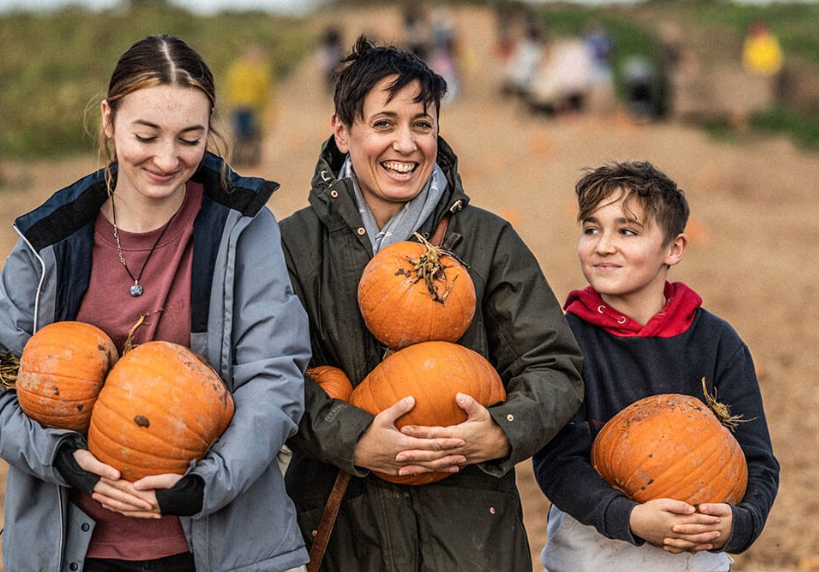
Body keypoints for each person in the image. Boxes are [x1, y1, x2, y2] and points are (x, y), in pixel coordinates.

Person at [0, 34, 310, 572]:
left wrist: (203, 483)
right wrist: (62, 459)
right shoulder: (47, 244)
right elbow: (3, 381)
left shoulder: (242, 228)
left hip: (217, 548)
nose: (167, 160)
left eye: (190, 139)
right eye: (147, 135)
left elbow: (274, 378)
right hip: (71, 552)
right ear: (108, 120)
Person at [279, 36, 584, 572]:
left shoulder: (486, 241)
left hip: (469, 538)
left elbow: (554, 366)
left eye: (422, 124)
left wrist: (500, 430)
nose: (406, 143)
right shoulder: (292, 246)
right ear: (342, 132)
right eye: (383, 124)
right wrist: (352, 438)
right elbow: (265, 377)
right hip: (342, 536)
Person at [532, 161, 779, 572]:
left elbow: (757, 462)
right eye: (592, 229)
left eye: (627, 231)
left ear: (674, 249)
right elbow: (557, 462)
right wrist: (629, 517)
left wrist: (738, 523)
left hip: (693, 563)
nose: (603, 245)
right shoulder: (564, 341)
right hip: (589, 562)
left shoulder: (718, 343)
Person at [225, 43, 273, 166]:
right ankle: (237, 158)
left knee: (254, 135)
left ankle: (252, 159)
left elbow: (265, 91)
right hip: (239, 106)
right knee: (238, 135)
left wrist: (266, 109)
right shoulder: (237, 69)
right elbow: (231, 87)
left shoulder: (261, 71)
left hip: (255, 107)